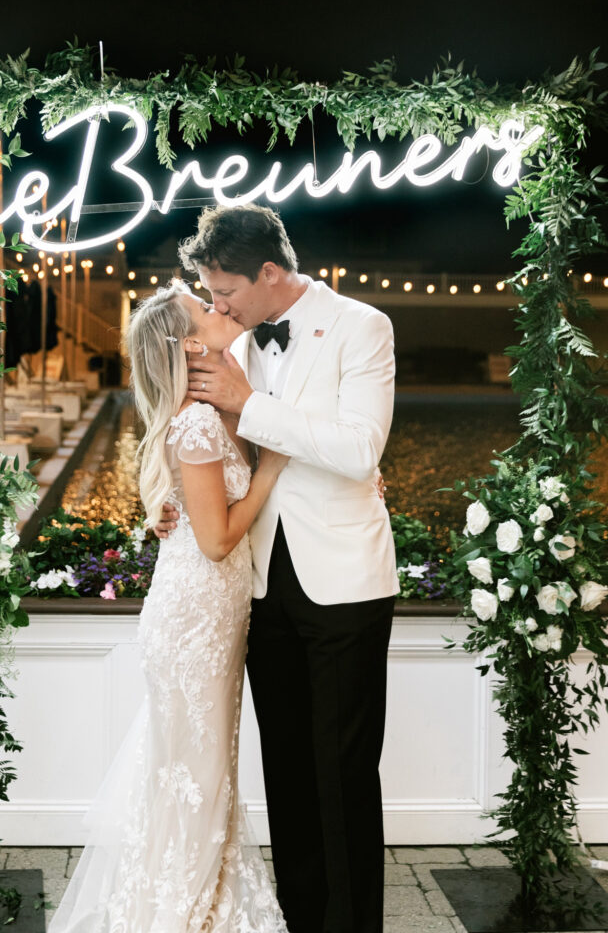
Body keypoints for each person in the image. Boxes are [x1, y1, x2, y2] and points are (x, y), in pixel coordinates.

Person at [158, 204, 398, 933]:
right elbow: (195, 441)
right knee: (287, 771)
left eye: (225, 289)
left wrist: (250, 403)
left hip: (346, 582)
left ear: (269, 272)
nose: (217, 304)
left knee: (344, 773)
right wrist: (170, 506)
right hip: (258, 584)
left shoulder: (363, 326)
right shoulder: (234, 341)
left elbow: (361, 451)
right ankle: (302, 920)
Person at [47, 279, 289, 933]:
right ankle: (184, 913)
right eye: (201, 311)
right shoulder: (197, 421)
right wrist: (271, 470)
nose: (216, 312)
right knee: (199, 771)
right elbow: (215, 540)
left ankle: (191, 900)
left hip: (202, 612)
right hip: (198, 617)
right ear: (186, 344)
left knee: (196, 768)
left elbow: (190, 516)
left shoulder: (202, 410)